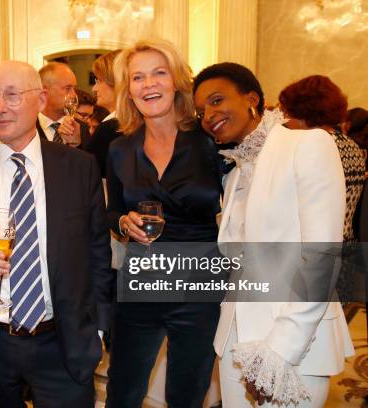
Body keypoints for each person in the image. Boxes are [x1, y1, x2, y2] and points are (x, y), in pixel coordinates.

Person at [0, 60, 112, 407]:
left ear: (41, 99)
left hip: (62, 340)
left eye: (12, 95)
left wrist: (99, 327)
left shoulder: (78, 167)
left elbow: (97, 252)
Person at [193, 62, 354, 407]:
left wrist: (280, 350)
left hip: (294, 344)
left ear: (252, 98)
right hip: (235, 341)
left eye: (217, 100)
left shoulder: (308, 145)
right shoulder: (235, 172)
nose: (208, 115)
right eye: (201, 110)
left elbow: (321, 258)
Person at [105, 40, 222, 408]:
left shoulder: (210, 141)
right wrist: (124, 221)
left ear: (177, 81)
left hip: (200, 283)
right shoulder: (120, 148)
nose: (148, 84)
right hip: (141, 278)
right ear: (129, 90)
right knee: (122, 390)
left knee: (187, 392)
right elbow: (111, 211)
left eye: (159, 72)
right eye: (137, 77)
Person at [86, 49, 123, 178]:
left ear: (117, 83)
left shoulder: (110, 128)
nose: (94, 88)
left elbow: (87, 175)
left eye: (99, 81)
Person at [37, 62, 90, 147]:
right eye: (67, 88)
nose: (74, 95)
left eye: (74, 88)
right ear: (45, 91)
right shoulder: (27, 127)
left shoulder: (81, 128)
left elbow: (89, 159)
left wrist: (76, 144)